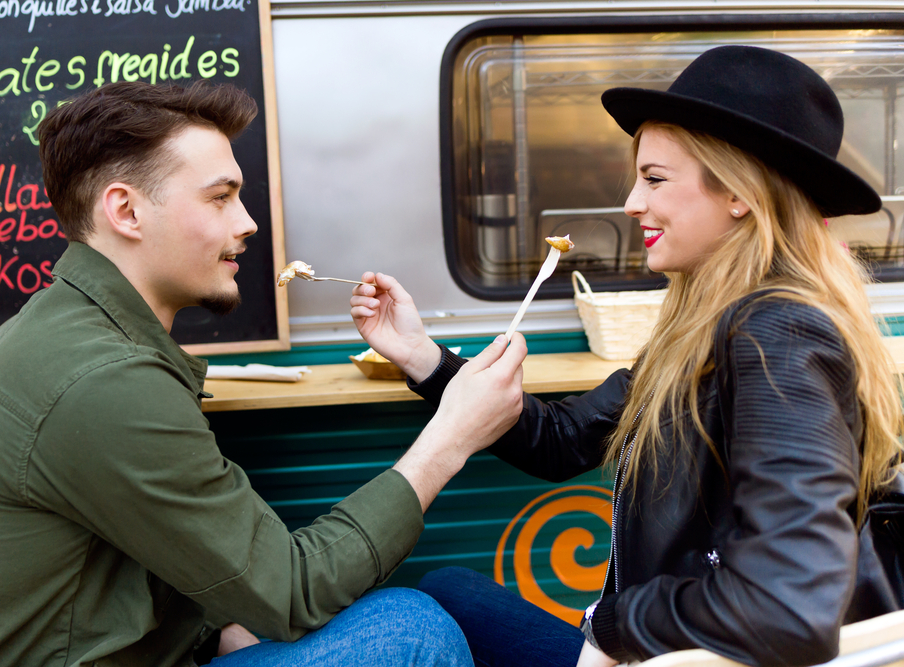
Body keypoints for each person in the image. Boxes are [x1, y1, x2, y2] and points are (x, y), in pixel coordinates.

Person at [0, 81, 529, 666]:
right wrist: (452, 438)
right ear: (125, 210)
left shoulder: (68, 331)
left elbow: (139, 555)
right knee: (415, 631)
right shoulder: (103, 380)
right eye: (220, 197)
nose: (247, 222)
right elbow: (293, 590)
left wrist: (219, 629)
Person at [350, 45, 904, 667]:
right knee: (447, 590)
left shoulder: (778, 335)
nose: (631, 203)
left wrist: (611, 627)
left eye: (656, 179)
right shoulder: (704, 331)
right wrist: (422, 356)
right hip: (666, 649)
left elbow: (788, 610)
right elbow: (565, 439)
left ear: (740, 194)